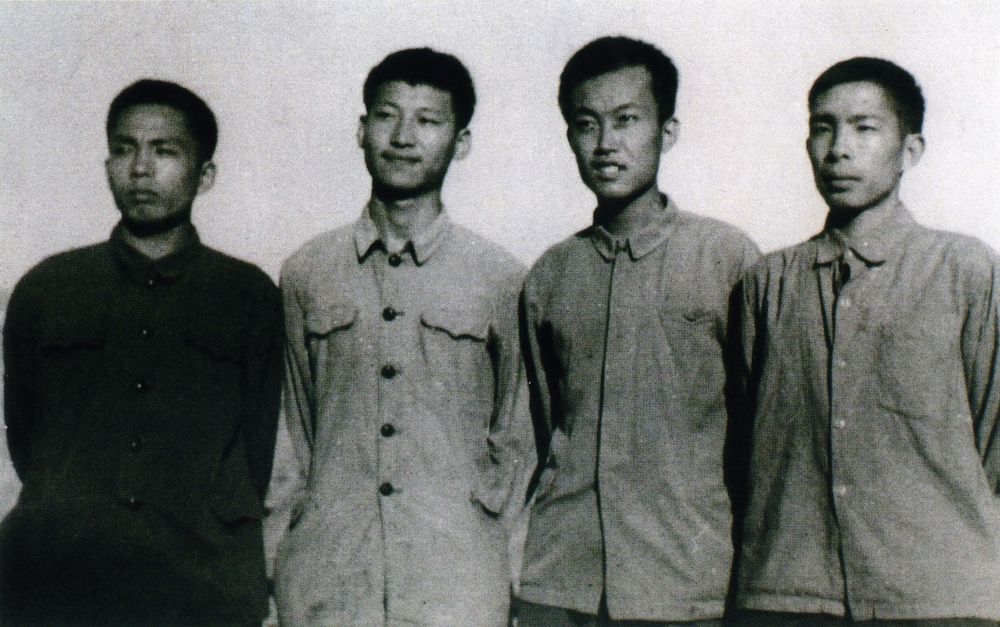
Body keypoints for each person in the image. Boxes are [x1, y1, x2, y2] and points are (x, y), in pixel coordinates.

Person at [0, 79, 282, 624]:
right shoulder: (47, 288)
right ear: (107, 165)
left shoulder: (248, 296)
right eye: (124, 149)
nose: (141, 169)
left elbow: (258, 452)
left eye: (164, 151)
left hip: (199, 588)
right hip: (58, 584)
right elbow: (27, 440)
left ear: (205, 175)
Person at [733, 57, 1000, 626]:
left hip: (937, 597)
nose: (839, 150)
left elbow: (995, 438)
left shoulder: (964, 270)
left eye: (865, 128)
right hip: (787, 593)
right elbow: (743, 442)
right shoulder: (767, 283)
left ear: (910, 150)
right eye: (823, 128)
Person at [274, 48, 530, 626]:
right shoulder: (307, 272)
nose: (403, 137)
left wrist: (496, 554)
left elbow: (518, 438)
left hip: (457, 585)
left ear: (461, 142)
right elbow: (293, 430)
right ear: (362, 130)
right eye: (387, 116)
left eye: (428, 120)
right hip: (328, 579)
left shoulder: (500, 278)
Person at [515, 36, 760, 626]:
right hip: (561, 581)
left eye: (627, 120)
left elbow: (758, 429)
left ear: (667, 132)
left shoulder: (726, 259)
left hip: (685, 581)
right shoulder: (550, 275)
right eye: (587, 124)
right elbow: (544, 427)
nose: (606, 143)